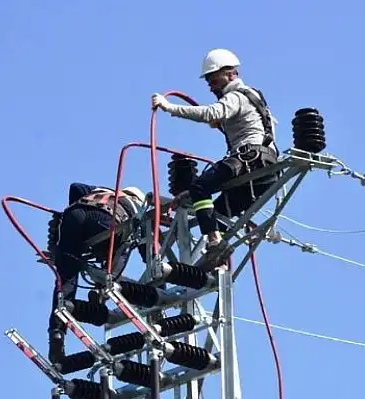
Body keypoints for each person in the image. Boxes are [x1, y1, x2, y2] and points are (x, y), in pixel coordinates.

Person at [151, 48, 279, 270]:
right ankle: (218, 259)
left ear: (230, 74)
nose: (210, 86)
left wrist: (168, 106)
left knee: (200, 187)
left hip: (249, 158)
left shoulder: (235, 96)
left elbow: (211, 113)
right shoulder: (254, 96)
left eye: (213, 79)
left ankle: (213, 241)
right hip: (266, 167)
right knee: (218, 214)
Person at [46, 182, 147, 362]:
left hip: (73, 217)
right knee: (126, 243)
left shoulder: (102, 191)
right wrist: (158, 278)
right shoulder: (136, 208)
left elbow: (75, 187)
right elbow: (146, 246)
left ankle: (57, 332)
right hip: (105, 220)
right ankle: (102, 288)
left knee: (66, 277)